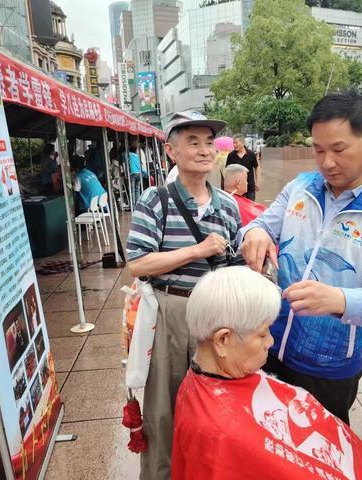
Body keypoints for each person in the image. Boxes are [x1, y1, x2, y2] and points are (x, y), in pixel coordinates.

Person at [240, 91, 362, 424]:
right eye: (318, 150)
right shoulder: (301, 187)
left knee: (317, 456)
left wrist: (338, 300)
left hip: (328, 365)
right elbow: (261, 225)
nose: (327, 163)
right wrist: (256, 233)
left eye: (338, 149)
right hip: (268, 345)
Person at [172, 266, 362, 480]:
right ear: (223, 340)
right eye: (262, 334)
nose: (271, 342)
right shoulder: (217, 436)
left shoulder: (218, 381)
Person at [126, 111, 244, 480]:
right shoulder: (156, 199)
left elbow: (235, 263)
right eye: (193, 142)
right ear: (171, 151)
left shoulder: (227, 205)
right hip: (170, 311)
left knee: (212, 404)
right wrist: (196, 250)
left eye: (209, 142)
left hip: (215, 317)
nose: (204, 150)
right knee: (163, 408)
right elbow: (138, 262)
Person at [226, 134, 260, 200]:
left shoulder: (251, 154)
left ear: (242, 142)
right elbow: (228, 171)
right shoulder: (231, 155)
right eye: (233, 143)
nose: (234, 145)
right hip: (236, 188)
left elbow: (256, 167)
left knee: (250, 207)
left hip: (250, 186)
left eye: (236, 143)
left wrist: (257, 182)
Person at [127, 141, 143, 205]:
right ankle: (138, 203)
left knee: (132, 190)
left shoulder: (128, 155)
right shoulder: (136, 156)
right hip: (139, 173)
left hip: (133, 173)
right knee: (137, 189)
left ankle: (133, 203)